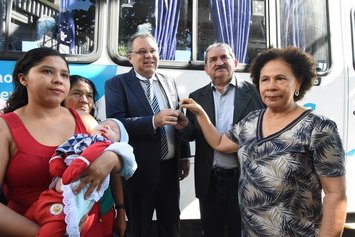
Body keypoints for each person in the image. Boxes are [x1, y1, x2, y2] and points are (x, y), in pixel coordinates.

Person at [180, 46, 347, 236]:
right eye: (265, 79)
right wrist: (200, 113)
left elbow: (335, 195)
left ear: (298, 82)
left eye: (280, 78)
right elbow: (219, 143)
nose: (271, 86)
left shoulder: (320, 128)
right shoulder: (252, 121)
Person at [0, 47, 126, 237]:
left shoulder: (85, 120)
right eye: (47, 71)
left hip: (90, 228)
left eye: (65, 75)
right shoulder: (5, 127)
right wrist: (47, 233)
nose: (58, 79)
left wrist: (113, 158)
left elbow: (121, 159)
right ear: (23, 78)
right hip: (29, 227)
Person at [105, 32, 191, 237]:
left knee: (171, 226)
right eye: (142, 51)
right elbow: (118, 124)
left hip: (170, 170)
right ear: (130, 57)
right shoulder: (117, 84)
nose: (148, 56)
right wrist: (154, 121)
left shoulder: (169, 81)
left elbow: (178, 119)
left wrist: (185, 155)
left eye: (153, 51)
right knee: (139, 228)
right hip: (139, 171)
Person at [178, 42, 264, 237]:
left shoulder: (255, 93)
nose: (219, 63)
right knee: (212, 232)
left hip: (244, 181)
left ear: (234, 62)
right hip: (210, 182)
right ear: (206, 69)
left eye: (224, 58)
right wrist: (182, 125)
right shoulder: (196, 97)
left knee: (241, 232)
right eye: (213, 60)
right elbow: (191, 134)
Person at [24, 118, 135, 237]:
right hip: (49, 195)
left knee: (51, 230)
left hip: (69, 203)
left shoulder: (106, 146)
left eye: (114, 130)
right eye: (104, 124)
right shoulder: (80, 139)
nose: (107, 127)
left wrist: (112, 156)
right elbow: (61, 151)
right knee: (29, 216)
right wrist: (56, 162)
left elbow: (127, 163)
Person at [63, 75, 127, 237]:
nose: (84, 100)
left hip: (103, 209)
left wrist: (120, 210)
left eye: (89, 95)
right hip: (66, 211)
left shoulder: (103, 131)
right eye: (77, 93)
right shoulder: (57, 131)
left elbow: (115, 174)